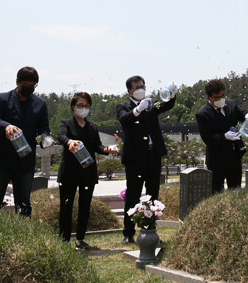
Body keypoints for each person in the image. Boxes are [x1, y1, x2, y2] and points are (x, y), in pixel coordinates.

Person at [116, 76, 177, 245]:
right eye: (136, 87)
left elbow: (166, 104)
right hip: (135, 157)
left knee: (152, 194)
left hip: (153, 154)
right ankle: (128, 233)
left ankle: (149, 229)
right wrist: (137, 110)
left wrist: (171, 93)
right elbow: (124, 118)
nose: (140, 89)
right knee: (133, 194)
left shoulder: (151, 104)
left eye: (142, 86)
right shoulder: (123, 106)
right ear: (129, 90)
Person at [0, 66, 51, 217]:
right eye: (25, 85)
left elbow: (43, 128)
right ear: (17, 82)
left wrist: (45, 139)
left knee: (23, 204)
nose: (28, 88)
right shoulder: (2, 99)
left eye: (32, 86)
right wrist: (6, 126)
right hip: (1, 159)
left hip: (25, 160)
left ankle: (24, 233)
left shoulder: (40, 104)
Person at [58, 92, 116, 249]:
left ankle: (80, 239)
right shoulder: (66, 123)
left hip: (87, 171)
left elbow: (97, 146)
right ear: (73, 107)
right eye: (80, 106)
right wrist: (69, 142)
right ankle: (63, 240)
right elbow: (61, 137)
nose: (83, 109)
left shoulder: (92, 127)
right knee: (66, 206)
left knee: (85, 206)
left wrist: (107, 149)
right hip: (69, 171)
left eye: (86, 106)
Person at [196, 79, 247, 193]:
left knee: (236, 191)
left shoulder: (231, 104)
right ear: (209, 97)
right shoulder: (203, 114)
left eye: (222, 95)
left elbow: (242, 113)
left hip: (234, 155)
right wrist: (224, 136)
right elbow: (207, 138)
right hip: (216, 160)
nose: (220, 99)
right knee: (216, 192)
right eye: (216, 97)